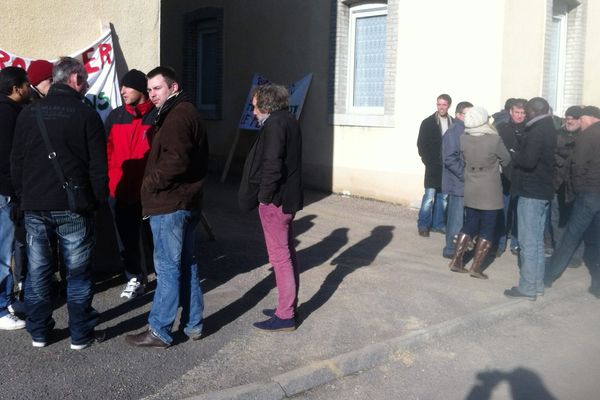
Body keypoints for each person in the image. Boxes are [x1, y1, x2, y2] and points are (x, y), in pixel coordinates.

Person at [11, 57, 108, 348]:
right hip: (74, 205)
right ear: (75, 80)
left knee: (38, 272)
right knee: (77, 273)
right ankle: (80, 334)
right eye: (85, 79)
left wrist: (22, 198)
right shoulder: (85, 114)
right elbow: (98, 168)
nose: (87, 84)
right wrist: (97, 202)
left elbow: (17, 163)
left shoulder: (29, 113)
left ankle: (39, 332)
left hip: (35, 204)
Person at [125, 66, 208, 348]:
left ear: (173, 87)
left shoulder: (178, 115)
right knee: (187, 264)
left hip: (171, 204)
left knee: (168, 268)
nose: (152, 94)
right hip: (183, 201)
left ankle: (159, 329)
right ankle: (193, 324)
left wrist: (149, 184)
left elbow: (177, 161)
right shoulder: (182, 112)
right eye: (149, 90)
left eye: (157, 88)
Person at [238, 83, 303, 331]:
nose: (253, 112)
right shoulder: (288, 120)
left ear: (266, 104)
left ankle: (285, 314)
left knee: (280, 257)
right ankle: (287, 306)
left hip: (276, 201)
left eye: (254, 106)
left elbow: (272, 164)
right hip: (286, 199)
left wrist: (264, 197)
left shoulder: (275, 124)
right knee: (287, 253)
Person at [105, 69, 155, 299]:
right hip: (119, 188)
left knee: (152, 237)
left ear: (141, 89)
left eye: (128, 87)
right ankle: (134, 276)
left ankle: (159, 276)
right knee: (125, 238)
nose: (122, 91)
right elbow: (105, 152)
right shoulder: (115, 116)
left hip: (148, 191)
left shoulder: (157, 116)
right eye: (122, 86)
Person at [447, 107, 510, 279]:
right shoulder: (494, 139)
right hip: (489, 185)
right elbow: (506, 159)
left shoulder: (463, 139)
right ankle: (476, 267)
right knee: (488, 226)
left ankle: (456, 260)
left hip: (471, 183)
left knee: (471, 222)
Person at [504, 97, 556, 300]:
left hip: (531, 191)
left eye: (526, 111)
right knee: (537, 242)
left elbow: (528, 161)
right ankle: (536, 285)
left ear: (533, 111)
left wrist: (514, 154)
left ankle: (527, 287)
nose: (524, 115)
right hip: (543, 191)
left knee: (528, 241)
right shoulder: (550, 127)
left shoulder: (536, 130)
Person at [545, 106, 600, 297]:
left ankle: (549, 275)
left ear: (590, 118)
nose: (580, 122)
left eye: (581, 118)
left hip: (588, 194)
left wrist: (576, 190)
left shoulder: (587, 136)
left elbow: (577, 166)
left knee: (570, 236)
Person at [0, 66, 30, 330]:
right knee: (2, 252)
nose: (29, 88)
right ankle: (0, 309)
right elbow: (9, 159)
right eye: (26, 84)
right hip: (4, 192)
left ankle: (7, 300)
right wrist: (15, 192)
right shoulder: (8, 114)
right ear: (16, 88)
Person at [417, 94, 453, 237]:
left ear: (448, 105)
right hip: (433, 166)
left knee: (443, 198)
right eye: (439, 104)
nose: (441, 107)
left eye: (444, 104)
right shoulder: (428, 122)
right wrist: (428, 161)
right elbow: (421, 144)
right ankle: (423, 225)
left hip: (447, 167)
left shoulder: (453, 123)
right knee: (429, 197)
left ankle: (438, 224)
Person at [441, 101, 473, 258]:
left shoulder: (465, 130)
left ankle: (458, 248)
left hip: (463, 183)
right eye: (468, 114)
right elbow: (450, 158)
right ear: (459, 115)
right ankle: (451, 250)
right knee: (456, 219)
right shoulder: (455, 131)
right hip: (458, 183)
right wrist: (465, 174)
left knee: (461, 218)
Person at [496, 98, 527, 255]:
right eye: (517, 112)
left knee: (518, 212)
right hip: (505, 175)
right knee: (504, 209)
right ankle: (500, 242)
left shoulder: (529, 129)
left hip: (522, 176)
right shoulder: (503, 128)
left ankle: (515, 243)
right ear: (510, 112)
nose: (520, 116)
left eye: (523, 112)